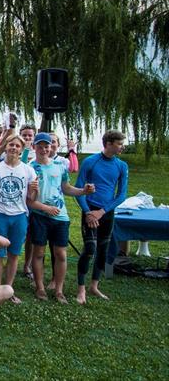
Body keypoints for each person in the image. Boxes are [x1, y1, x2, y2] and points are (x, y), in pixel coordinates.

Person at [29, 132, 95, 303]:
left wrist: (83, 191)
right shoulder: (29, 168)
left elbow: (66, 188)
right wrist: (45, 208)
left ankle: (59, 290)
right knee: (39, 253)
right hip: (39, 216)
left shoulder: (60, 165)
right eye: (40, 146)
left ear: (51, 147)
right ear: (33, 147)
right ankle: (40, 287)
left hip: (60, 216)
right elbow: (28, 199)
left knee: (61, 254)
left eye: (47, 145)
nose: (43, 149)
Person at [0, 135, 37, 300]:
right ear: (5, 146)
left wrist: (34, 189)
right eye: (11, 144)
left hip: (19, 216)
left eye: (17, 146)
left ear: (21, 149)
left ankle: (9, 288)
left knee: (14, 253)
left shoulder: (28, 170)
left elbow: (32, 197)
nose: (13, 148)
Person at [74, 129, 128, 304]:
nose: (122, 147)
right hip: (90, 210)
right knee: (90, 249)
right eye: (119, 144)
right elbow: (78, 189)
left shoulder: (121, 166)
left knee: (103, 250)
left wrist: (102, 211)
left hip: (106, 212)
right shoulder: (91, 162)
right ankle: (81, 289)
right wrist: (89, 212)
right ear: (109, 144)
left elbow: (121, 195)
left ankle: (94, 286)